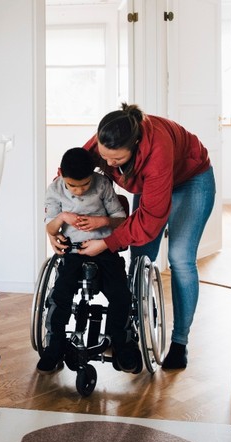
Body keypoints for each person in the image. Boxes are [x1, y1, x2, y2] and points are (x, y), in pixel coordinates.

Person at [67, 103, 215, 370]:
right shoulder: (108, 138)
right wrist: (59, 220)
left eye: (117, 160)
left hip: (191, 180)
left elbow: (149, 219)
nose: (109, 164)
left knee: (180, 258)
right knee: (140, 256)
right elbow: (71, 174)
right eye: (105, 157)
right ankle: (129, 329)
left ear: (135, 145)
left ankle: (180, 343)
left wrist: (107, 242)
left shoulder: (157, 150)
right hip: (150, 183)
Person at [38, 147, 143, 375]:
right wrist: (63, 217)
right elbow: (50, 227)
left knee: (120, 294)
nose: (79, 190)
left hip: (103, 248)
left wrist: (100, 222)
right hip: (72, 250)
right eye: (72, 185)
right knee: (60, 296)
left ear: (93, 175)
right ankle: (54, 345)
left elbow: (120, 220)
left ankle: (122, 344)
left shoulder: (102, 184)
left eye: (84, 184)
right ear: (61, 175)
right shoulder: (55, 190)